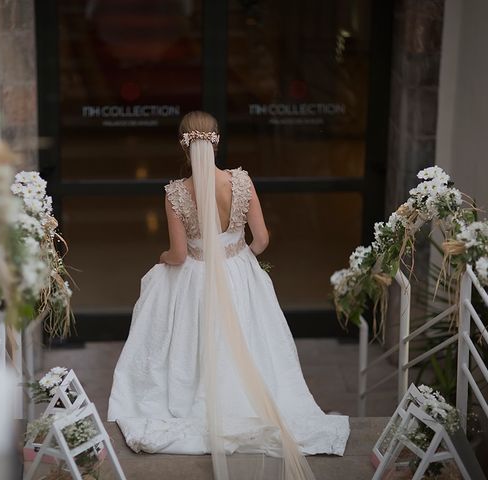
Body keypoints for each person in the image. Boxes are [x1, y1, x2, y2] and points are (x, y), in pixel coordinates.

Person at [108, 111, 349, 479]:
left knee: (197, 342)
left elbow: (179, 255)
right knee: (251, 341)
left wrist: (161, 258)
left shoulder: (176, 193)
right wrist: (238, 261)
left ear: (183, 144)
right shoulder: (241, 182)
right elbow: (263, 238)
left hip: (197, 279)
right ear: (216, 140)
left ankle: (200, 399)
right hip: (239, 272)